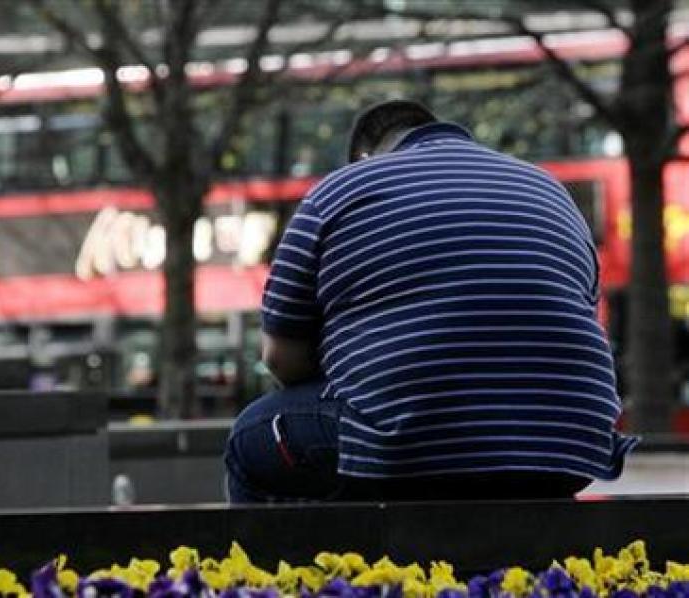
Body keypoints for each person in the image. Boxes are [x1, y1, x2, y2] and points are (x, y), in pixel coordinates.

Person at [223, 99, 638, 502]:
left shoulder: (337, 192)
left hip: (410, 453)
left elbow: (282, 360)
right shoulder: (552, 191)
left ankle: (293, 572)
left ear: (366, 156)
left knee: (251, 438)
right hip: (568, 453)